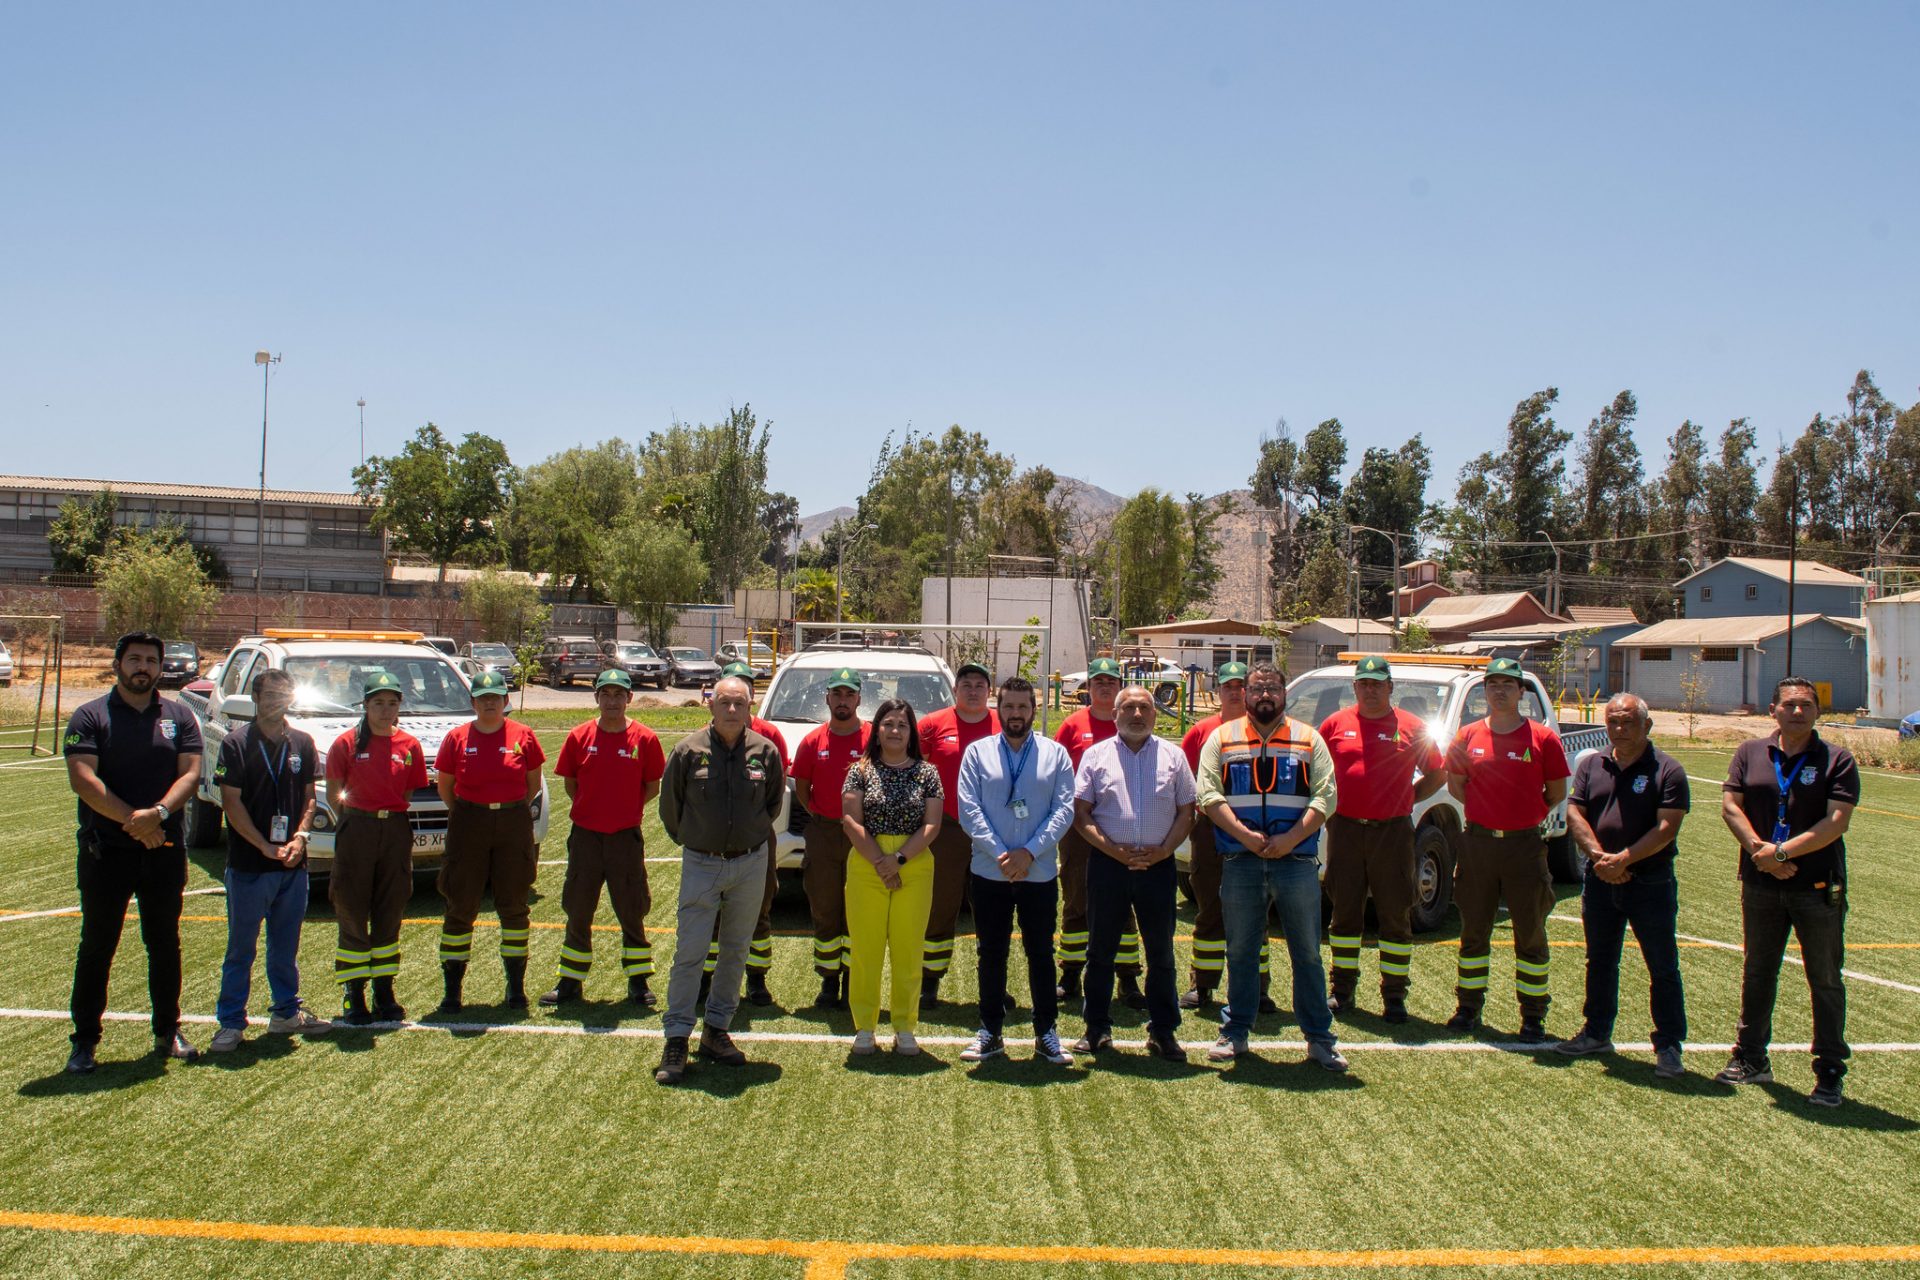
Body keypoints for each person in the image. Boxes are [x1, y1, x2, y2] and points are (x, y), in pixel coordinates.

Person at [62, 631, 206, 1073]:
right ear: (118, 665)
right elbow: (83, 780)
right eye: (135, 659)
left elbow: (191, 774)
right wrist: (135, 821)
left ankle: (167, 1030)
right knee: (97, 945)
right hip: (106, 852)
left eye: (151, 661)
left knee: (164, 944)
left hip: (163, 849)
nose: (143, 667)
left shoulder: (179, 716)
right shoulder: (90, 716)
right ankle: (85, 1041)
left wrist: (157, 814)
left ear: (161, 668)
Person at [1197, 662, 1347, 1071]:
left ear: (1285, 694)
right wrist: (1246, 836)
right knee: (1241, 951)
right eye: (1257, 688)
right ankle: (1235, 1032)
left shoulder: (1309, 739)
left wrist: (1291, 839)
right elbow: (1208, 795)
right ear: (1244, 695)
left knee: (1307, 952)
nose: (1265, 695)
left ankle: (1319, 1038)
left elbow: (1326, 797)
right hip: (1241, 860)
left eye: (1273, 688)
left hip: (1296, 861)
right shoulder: (1222, 738)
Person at [1717, 676, 1858, 1106]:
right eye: (1789, 704)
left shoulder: (1837, 760)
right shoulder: (1749, 752)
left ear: (1817, 712)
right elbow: (1731, 806)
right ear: (1773, 710)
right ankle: (1751, 1057)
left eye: (1806, 705)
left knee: (1824, 977)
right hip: (1760, 882)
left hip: (1816, 886)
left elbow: (1836, 822)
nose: (1798, 711)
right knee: (1758, 971)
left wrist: (1779, 853)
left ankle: (1829, 1070)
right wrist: (1759, 852)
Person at [655, 676, 786, 1085]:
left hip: (750, 863)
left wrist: (746, 838)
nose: (731, 710)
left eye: (739, 704)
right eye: (724, 702)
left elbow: (772, 804)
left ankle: (716, 1030)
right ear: (710, 705)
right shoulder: (687, 751)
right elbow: (670, 808)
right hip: (702, 863)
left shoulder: (765, 752)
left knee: (735, 951)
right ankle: (677, 1037)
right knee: (690, 952)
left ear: (750, 707)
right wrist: (697, 840)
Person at [1554, 694, 1690, 1078]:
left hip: (1650, 882)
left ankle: (1669, 1045)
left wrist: (1624, 859)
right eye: (1613, 721)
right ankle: (1596, 1032)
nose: (1619, 728)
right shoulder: (1592, 764)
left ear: (1647, 725)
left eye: (1628, 721)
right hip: (1600, 880)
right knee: (1600, 961)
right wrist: (1600, 858)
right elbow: (1575, 811)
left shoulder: (1668, 770)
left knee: (1662, 965)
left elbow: (1667, 827)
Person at [1443, 657, 1571, 1041]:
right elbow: (1456, 786)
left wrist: (1522, 816)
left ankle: (1533, 1016)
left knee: (1530, 933)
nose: (1499, 691)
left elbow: (1556, 792)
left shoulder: (1542, 738)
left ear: (1521, 692)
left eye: (1507, 685)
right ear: (1484, 691)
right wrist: (1488, 814)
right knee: (1473, 930)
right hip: (1478, 845)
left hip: (1524, 847)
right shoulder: (1466, 736)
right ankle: (1468, 1008)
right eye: (1493, 684)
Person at [1317, 655, 1445, 1023]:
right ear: (1354, 687)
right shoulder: (1334, 725)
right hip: (1345, 829)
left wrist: (1408, 798)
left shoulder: (1412, 727)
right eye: (1364, 683)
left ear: (1390, 687)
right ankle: (1342, 991)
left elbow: (1437, 773)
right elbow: (1317, 772)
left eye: (1377, 684)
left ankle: (1394, 995)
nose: (1370, 690)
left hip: (1393, 832)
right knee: (1344, 912)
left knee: (1395, 913)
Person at [209, 666, 332, 1051]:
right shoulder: (236, 743)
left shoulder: (302, 742)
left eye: (284, 695)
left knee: (285, 947)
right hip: (250, 866)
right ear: (256, 699)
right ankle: (231, 1022)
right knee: (240, 949)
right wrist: (263, 845)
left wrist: (300, 837)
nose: (277, 702)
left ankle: (285, 1012)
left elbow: (310, 798)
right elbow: (231, 803)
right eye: (269, 695)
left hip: (293, 865)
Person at [956, 677, 1077, 1065]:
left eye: (1023, 707)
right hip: (989, 871)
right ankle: (990, 1031)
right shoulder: (977, 753)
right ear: (998, 709)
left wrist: (1029, 852)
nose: (1016, 714)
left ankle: (1046, 1032)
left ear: (1034, 710)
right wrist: (1001, 854)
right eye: (1009, 706)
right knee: (991, 953)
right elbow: (968, 810)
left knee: (1040, 952)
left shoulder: (1056, 754)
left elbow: (1064, 810)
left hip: (1038, 873)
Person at [1072, 686, 1196, 1061]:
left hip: (1158, 867)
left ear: (1155, 715)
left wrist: (1164, 851)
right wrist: (1113, 850)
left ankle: (1163, 1031)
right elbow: (1081, 813)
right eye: (1129, 708)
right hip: (1109, 866)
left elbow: (1187, 811)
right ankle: (1096, 1028)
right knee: (1100, 952)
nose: (1137, 714)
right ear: (1115, 715)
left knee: (1161, 953)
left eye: (1144, 707)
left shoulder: (1173, 756)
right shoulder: (1096, 756)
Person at [541, 669, 667, 1008]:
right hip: (585, 838)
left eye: (619, 694)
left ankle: (638, 981)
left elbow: (652, 787)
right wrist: (592, 811)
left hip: (625, 838)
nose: (612, 701)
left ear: (629, 698)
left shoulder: (645, 739)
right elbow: (571, 784)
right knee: (578, 908)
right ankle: (570, 982)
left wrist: (623, 811)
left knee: (632, 908)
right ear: (596, 697)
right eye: (606, 694)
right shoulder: (578, 736)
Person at [433, 670, 547, 1012]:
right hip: (469, 822)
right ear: (473, 702)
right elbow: (445, 786)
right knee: (460, 905)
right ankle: (452, 990)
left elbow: (533, 783)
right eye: (482, 698)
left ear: (505, 700)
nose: (489, 703)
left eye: (495, 697)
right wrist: (471, 813)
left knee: (514, 905)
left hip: (512, 823)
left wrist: (508, 810)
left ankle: (515, 986)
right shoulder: (456, 738)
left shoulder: (523, 735)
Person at [324, 671, 430, 1025]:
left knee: (391, 906)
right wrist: (363, 818)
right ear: (365, 705)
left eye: (392, 703)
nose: (386, 710)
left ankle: (384, 990)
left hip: (395, 829)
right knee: (352, 906)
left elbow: (408, 791)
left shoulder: (410, 745)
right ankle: (354, 992)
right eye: (378, 703)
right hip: (357, 828)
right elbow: (334, 794)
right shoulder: (346, 744)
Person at [840, 698, 944, 1056]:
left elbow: (932, 824)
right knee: (866, 949)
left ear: (911, 731)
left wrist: (897, 860)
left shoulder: (927, 773)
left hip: (913, 862)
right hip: (867, 862)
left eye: (902, 724)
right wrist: (880, 862)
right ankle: (865, 1027)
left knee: (908, 949)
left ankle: (904, 1027)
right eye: (888, 724)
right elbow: (850, 820)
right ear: (877, 730)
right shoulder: (859, 771)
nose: (895, 730)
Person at [1180, 663, 1276, 1011]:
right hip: (1210, 831)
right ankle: (1203, 985)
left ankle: (1258, 989)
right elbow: (1184, 781)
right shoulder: (1201, 731)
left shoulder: (1265, 731)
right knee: (1209, 907)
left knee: (1255, 912)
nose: (1235, 693)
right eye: (1228, 687)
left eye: (1240, 686)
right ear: (1218, 691)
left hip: (1253, 830)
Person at [1052, 657, 1144, 1008]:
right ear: (1088, 687)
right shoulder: (1072, 726)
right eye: (1098, 681)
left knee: (1124, 902)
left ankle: (1128, 978)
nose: (1105, 686)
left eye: (1111, 681)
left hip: (1123, 825)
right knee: (1076, 897)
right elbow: (1056, 772)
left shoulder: (1132, 723)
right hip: (1079, 827)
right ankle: (1071, 974)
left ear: (1119, 686)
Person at [915, 660, 1000, 1007]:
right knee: (940, 905)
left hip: (993, 831)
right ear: (955, 689)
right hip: (946, 829)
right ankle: (929, 982)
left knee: (992, 909)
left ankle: (993, 984)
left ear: (989, 691)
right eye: (966, 684)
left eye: (980, 685)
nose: (973, 691)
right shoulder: (932, 725)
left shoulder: (1003, 725)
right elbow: (914, 772)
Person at [792, 667, 869, 1007]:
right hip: (823, 833)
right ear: (827, 698)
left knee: (858, 910)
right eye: (837, 693)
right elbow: (803, 789)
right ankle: (828, 980)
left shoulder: (873, 739)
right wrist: (821, 816)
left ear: (859, 699)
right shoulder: (813, 741)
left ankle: (853, 977)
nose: (842, 700)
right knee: (824, 908)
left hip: (863, 836)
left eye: (849, 694)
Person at [716, 660, 792, 1008]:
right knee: (713, 913)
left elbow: (777, 791)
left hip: (758, 838)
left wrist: (757, 826)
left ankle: (757, 980)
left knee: (759, 909)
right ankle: (707, 980)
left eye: (743, 692)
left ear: (750, 697)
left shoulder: (769, 736)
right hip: (714, 842)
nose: (734, 706)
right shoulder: (702, 739)